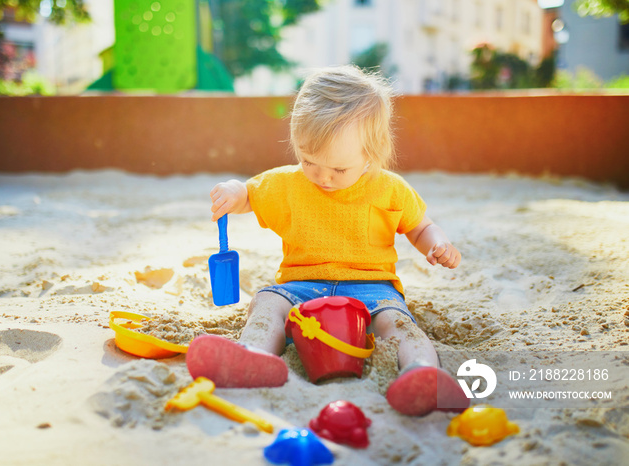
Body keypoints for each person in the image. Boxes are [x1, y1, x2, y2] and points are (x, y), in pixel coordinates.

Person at [186, 65, 469, 416]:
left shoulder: (390, 189)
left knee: (398, 325)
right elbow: (249, 195)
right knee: (267, 303)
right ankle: (255, 356)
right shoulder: (287, 184)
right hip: (302, 286)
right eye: (309, 161)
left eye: (339, 170)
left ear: (372, 154)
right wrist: (232, 191)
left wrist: (437, 245)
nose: (322, 177)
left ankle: (423, 372)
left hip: (372, 288)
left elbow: (420, 226)